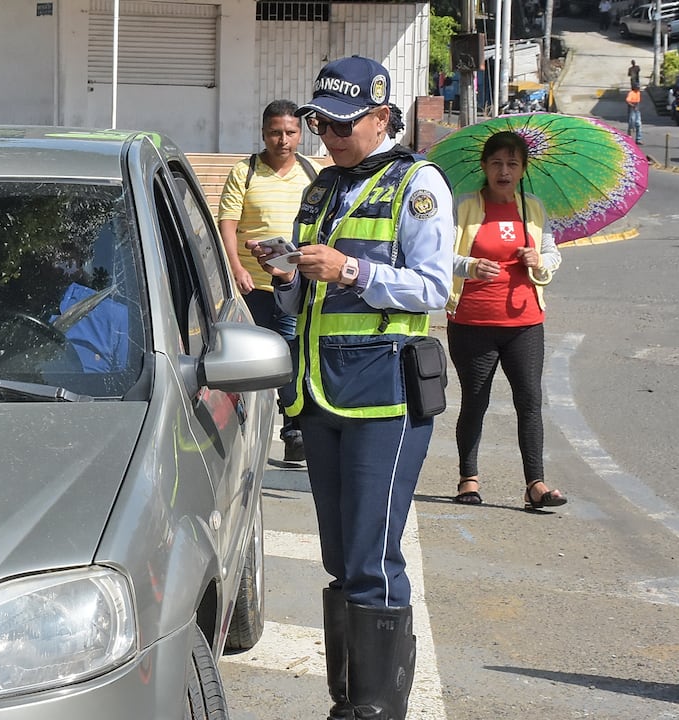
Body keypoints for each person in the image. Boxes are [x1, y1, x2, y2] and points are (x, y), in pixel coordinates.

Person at [250, 55, 453, 720]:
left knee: (370, 554)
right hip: (318, 392)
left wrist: (353, 272)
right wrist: (287, 272)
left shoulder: (418, 185)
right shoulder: (321, 188)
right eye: (320, 123)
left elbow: (433, 287)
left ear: (382, 117)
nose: (329, 135)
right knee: (340, 556)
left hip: (383, 395)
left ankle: (375, 710)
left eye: (343, 123)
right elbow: (307, 294)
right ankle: (350, 703)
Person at [447, 130, 566, 512]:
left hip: (525, 322)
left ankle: (535, 483)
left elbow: (552, 253)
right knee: (475, 400)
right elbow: (438, 255)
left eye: (512, 164)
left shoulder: (533, 208)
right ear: (484, 167)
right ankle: (469, 477)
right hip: (472, 322)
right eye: (496, 163)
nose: (504, 171)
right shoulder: (463, 207)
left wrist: (540, 261)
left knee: (530, 399)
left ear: (522, 169)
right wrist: (469, 265)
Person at [217, 99, 316, 462]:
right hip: (251, 287)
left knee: (290, 359)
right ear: (263, 133)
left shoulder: (312, 174)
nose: (283, 140)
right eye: (276, 132)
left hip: (292, 284)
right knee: (246, 363)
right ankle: (241, 433)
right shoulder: (244, 172)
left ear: (300, 135)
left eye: (290, 132)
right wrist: (236, 269)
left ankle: (294, 432)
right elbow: (227, 221)